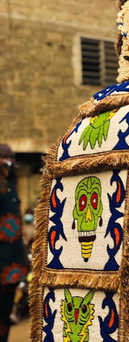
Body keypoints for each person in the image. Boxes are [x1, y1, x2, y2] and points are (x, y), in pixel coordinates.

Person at [0, 144, 27, 342]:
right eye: (4, 157)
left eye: (10, 158)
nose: (8, 162)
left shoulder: (11, 187)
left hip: (12, 266)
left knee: (5, 314)